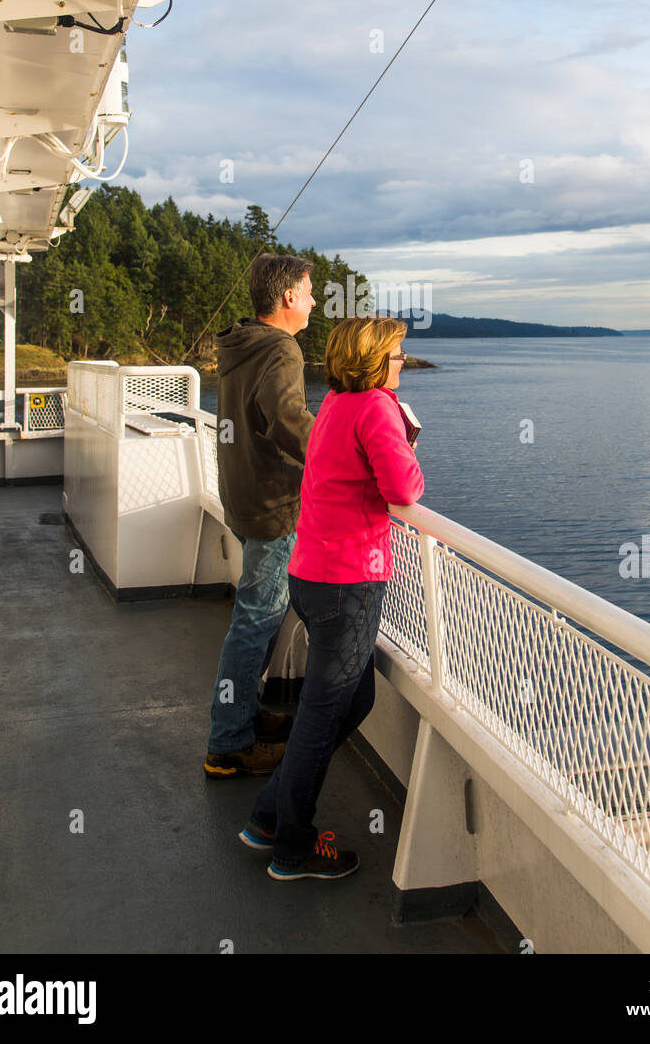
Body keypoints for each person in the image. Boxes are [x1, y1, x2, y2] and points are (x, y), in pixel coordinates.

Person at [237, 315, 424, 878]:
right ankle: (291, 848)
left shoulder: (337, 406)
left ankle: (269, 815)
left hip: (313, 577)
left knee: (354, 701)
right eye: (396, 356)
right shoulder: (374, 409)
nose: (401, 365)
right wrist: (406, 442)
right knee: (321, 717)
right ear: (374, 362)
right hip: (349, 585)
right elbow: (405, 488)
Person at [204, 253, 316, 777]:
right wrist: (340, 451)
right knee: (256, 619)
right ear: (289, 297)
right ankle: (229, 744)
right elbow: (287, 417)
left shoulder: (241, 343)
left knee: (255, 613)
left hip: (240, 492)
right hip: (272, 502)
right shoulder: (282, 348)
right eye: (310, 291)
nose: (315, 300)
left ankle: (243, 715)